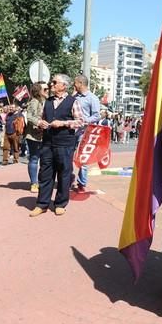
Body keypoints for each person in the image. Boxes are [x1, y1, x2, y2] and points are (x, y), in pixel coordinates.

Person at [29, 74, 83, 217]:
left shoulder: (73, 101)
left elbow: (80, 121)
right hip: (47, 143)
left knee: (64, 174)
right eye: (51, 82)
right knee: (45, 174)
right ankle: (42, 204)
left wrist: (63, 123)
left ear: (63, 86)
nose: (51, 85)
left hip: (65, 144)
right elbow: (41, 118)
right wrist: (40, 123)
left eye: (54, 82)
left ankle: (60, 204)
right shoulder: (47, 101)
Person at [72, 75, 100, 193]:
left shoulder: (92, 98)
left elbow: (96, 115)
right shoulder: (74, 97)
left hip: (83, 133)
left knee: (82, 160)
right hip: (70, 131)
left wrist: (85, 120)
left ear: (81, 84)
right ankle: (68, 180)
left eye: (75, 83)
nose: (74, 85)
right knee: (68, 157)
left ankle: (82, 184)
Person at [25, 82, 47, 192]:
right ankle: (34, 183)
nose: (48, 90)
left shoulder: (47, 101)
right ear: (38, 91)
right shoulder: (34, 101)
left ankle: (43, 182)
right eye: (45, 89)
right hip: (34, 135)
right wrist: (39, 122)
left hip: (46, 135)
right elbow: (29, 116)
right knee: (34, 158)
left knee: (46, 159)